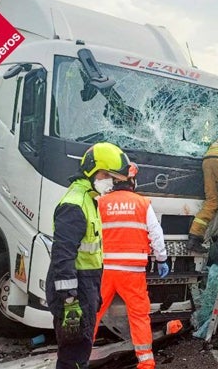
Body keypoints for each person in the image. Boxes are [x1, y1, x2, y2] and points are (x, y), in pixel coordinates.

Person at [45, 142, 129, 369]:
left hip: (85, 285)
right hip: (76, 290)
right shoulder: (75, 205)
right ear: (95, 172)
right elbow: (63, 256)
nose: (111, 183)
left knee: (79, 349)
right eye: (108, 176)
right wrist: (69, 300)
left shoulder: (87, 199)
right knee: (74, 353)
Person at [93, 161, 169, 369]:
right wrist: (161, 259)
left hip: (104, 269)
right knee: (138, 315)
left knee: (93, 312)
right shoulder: (142, 203)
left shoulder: (100, 202)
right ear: (132, 181)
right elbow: (156, 234)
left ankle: (79, 357)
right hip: (132, 272)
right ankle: (146, 362)